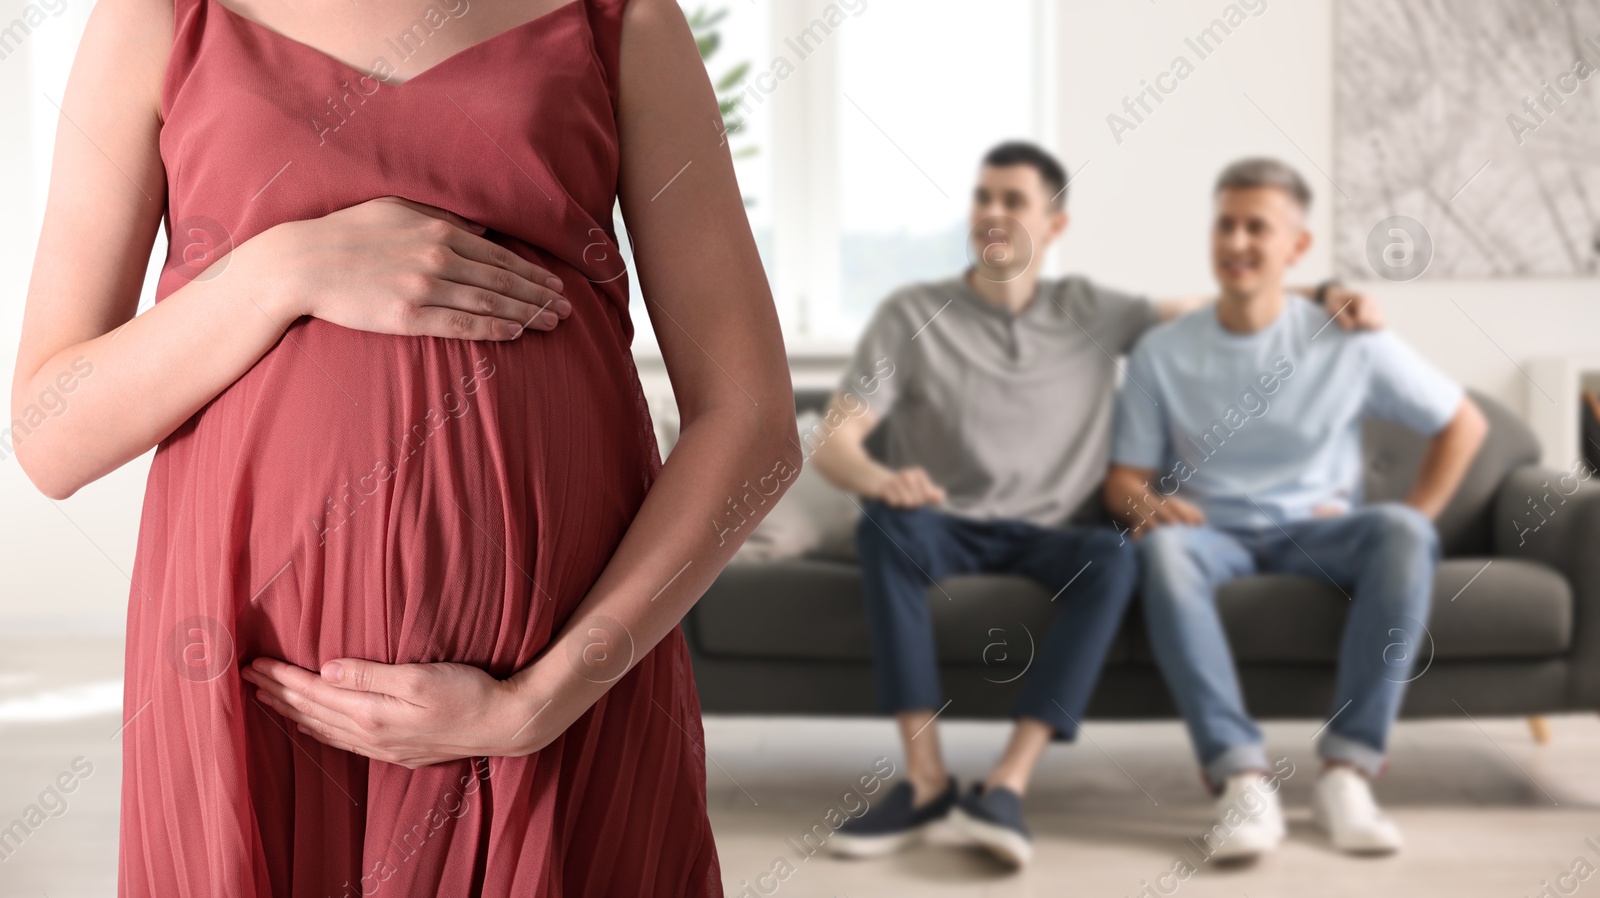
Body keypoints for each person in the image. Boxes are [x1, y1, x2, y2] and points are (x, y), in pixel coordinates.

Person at [12, 0, 795, 894]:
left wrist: (533, 707)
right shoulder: (158, 18)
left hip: (562, 704)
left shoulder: (618, 20)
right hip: (253, 699)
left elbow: (754, 423)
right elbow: (51, 437)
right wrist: (282, 271)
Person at [809, 142, 1381, 868]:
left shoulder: (1093, 311)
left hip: (1059, 533)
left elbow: (1223, 304)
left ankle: (1007, 786)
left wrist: (1324, 293)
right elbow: (836, 437)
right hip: (947, 523)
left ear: (1055, 225)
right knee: (884, 528)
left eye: (1013, 201)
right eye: (983, 197)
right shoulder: (912, 313)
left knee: (1116, 556)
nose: (992, 213)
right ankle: (925, 784)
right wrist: (875, 477)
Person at [1105, 157, 1488, 860]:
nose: (1238, 241)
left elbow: (1463, 424)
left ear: (1297, 248)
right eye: (1226, 224)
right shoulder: (1161, 351)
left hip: (1322, 532)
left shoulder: (1344, 336)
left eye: (1259, 227)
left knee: (1403, 531)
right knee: (1158, 551)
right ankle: (1242, 781)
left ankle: (1348, 772)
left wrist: (1420, 517)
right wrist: (1143, 502)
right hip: (1209, 532)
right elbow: (1123, 479)